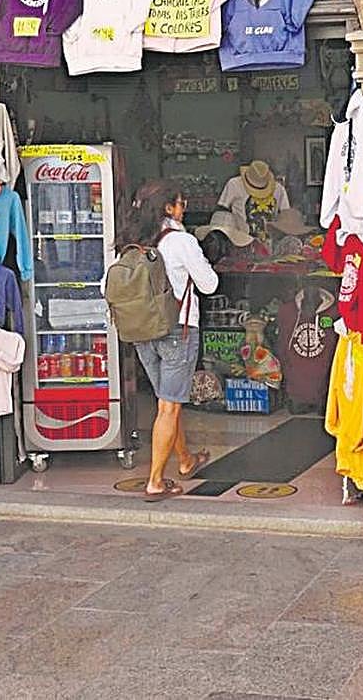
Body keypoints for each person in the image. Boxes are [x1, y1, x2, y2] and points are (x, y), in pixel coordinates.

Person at [119, 180, 219, 501]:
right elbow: (209, 284)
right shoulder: (181, 242)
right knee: (169, 407)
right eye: (181, 203)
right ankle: (155, 482)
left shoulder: (130, 242)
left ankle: (186, 461)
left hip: (141, 332)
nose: (184, 208)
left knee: (167, 402)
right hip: (176, 331)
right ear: (169, 208)